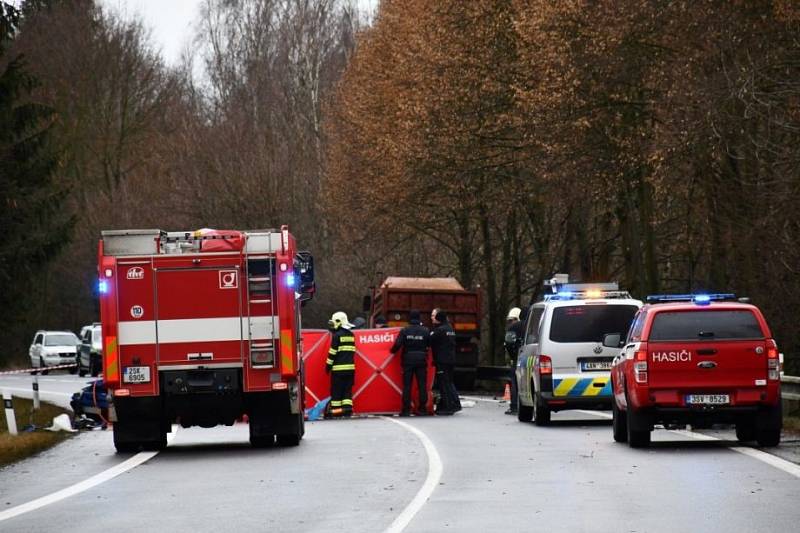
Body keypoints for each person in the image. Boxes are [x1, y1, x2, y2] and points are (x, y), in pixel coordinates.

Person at [390, 309, 430, 416]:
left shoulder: (405, 330)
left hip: (408, 360)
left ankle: (406, 409)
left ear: (410, 318)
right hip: (421, 359)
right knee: (422, 384)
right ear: (419, 318)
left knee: (407, 385)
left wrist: (391, 351)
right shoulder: (425, 330)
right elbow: (430, 344)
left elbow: (397, 345)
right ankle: (422, 408)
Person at [430, 308, 461, 415]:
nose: (432, 318)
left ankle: (448, 407)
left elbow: (429, 341)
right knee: (449, 382)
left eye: (433, 316)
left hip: (442, 361)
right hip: (450, 359)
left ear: (438, 318)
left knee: (444, 383)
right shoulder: (450, 328)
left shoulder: (439, 330)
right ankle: (455, 404)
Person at [326, 311, 357, 417]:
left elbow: (332, 353)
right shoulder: (351, 335)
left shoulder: (337, 335)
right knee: (347, 390)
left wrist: (328, 366)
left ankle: (336, 411)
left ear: (339, 322)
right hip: (350, 370)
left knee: (336, 391)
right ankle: (347, 409)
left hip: (338, 371)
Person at [504, 307, 525, 415]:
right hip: (529, 358)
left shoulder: (514, 327)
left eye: (512, 320)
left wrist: (513, 356)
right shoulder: (533, 325)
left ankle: (514, 406)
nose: (511, 322)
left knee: (514, 381)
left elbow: (508, 343)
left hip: (517, 358)